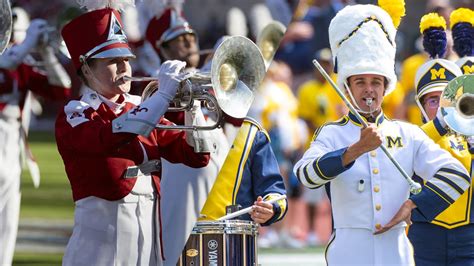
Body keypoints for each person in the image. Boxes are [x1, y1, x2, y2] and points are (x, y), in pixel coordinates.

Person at [294, 1, 470, 265]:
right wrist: (354, 150)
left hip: (395, 252)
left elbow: (457, 174)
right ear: (348, 88)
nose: (369, 90)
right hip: (347, 252)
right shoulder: (331, 133)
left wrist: (414, 206)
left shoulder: (408, 133)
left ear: (385, 87)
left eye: (376, 82)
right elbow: (305, 175)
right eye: (360, 82)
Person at [56, 3, 210, 265]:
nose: (125, 69)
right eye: (113, 62)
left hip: (149, 233)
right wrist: (162, 96)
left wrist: (192, 106)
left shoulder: (140, 106)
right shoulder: (76, 114)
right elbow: (110, 137)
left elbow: (197, 156)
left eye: (126, 59)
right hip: (100, 244)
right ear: (86, 69)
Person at [0, 10, 71, 264]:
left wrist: (46, 52)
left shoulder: (20, 63)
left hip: (10, 152)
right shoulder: (11, 60)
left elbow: (61, 88)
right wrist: (28, 44)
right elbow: (5, 65)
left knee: (6, 230)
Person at [407, 11, 474, 265]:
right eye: (433, 100)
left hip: (469, 234)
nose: (441, 105)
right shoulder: (412, 133)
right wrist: (442, 123)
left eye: (446, 97)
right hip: (425, 234)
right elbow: (413, 144)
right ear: (422, 104)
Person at [199, 117, 287, 225]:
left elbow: (273, 189)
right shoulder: (179, 125)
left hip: (233, 236)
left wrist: (270, 208)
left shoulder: (252, 133)